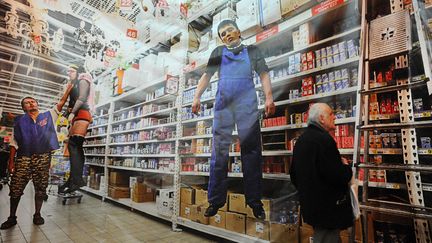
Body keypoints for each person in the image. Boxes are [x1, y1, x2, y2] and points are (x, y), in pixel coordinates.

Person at [192, 19, 275, 219]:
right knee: (219, 151)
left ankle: (254, 202)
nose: (227, 35)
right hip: (224, 105)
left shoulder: (253, 50)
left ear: (238, 31)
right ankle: (215, 201)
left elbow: (263, 74)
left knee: (252, 152)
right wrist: (196, 96)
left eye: (230, 31)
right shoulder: (218, 52)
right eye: (223, 34)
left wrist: (269, 97)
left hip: (247, 103)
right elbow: (207, 76)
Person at [0, 86, 72, 229]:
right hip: (23, 157)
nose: (31, 103)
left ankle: (37, 214)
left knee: (40, 188)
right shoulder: (19, 121)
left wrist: (69, 86)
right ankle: (12, 217)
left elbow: (62, 102)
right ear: (23, 108)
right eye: (27, 102)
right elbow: (14, 143)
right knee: (16, 188)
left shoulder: (49, 115)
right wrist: (11, 163)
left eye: (33, 101)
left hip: (43, 156)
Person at [290, 103, 354, 243]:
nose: (335, 117)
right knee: (326, 238)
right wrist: (346, 167)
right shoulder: (324, 140)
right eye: (331, 114)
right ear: (322, 119)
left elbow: (294, 175)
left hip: (312, 207)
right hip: (328, 209)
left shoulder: (301, 140)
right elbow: (337, 176)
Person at [58, 64, 93, 194]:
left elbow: (82, 98)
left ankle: (76, 180)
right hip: (76, 116)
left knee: (75, 145)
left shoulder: (83, 80)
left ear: (78, 71)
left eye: (71, 71)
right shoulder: (73, 84)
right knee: (74, 147)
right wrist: (67, 115)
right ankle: (73, 179)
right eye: (68, 71)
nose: (69, 73)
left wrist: (72, 112)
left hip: (82, 114)